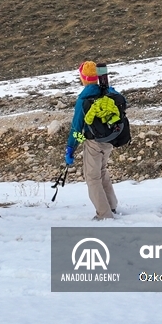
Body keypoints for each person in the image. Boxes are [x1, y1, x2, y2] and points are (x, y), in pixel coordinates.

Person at [65, 61, 122, 220]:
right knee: (102, 171)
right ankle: (111, 205)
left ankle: (104, 214)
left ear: (83, 78)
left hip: (93, 142)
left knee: (92, 177)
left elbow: (76, 128)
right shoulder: (108, 91)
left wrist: (71, 148)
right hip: (109, 139)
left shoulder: (84, 98)